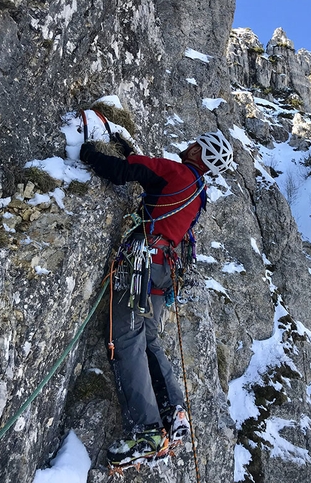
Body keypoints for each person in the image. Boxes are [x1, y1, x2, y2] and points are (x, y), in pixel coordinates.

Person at [80, 130, 233, 467]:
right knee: (148, 338)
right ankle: (172, 409)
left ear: (197, 150)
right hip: (163, 271)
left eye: (194, 144)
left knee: (126, 338)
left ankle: (146, 429)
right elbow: (150, 177)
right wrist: (128, 149)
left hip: (141, 267)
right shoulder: (198, 190)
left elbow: (125, 172)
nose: (188, 145)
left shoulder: (176, 172)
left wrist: (87, 152)